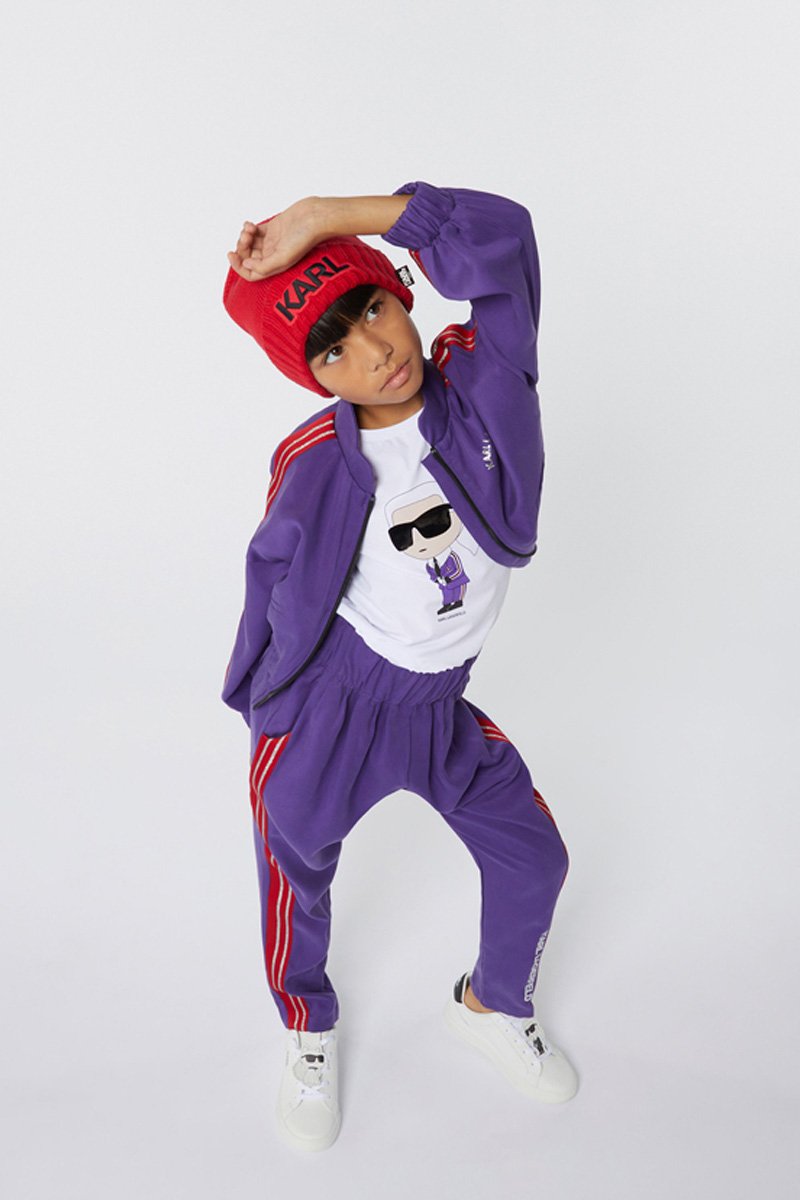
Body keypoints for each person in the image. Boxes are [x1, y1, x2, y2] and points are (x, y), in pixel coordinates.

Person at [222, 181, 578, 1153]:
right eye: (333, 349)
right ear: (312, 377)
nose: (375, 351)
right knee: (294, 864)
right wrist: (268, 703)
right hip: (335, 707)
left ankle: (491, 1004)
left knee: (534, 856)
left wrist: (328, 217)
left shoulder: (487, 381)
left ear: (401, 292)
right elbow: (270, 575)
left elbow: (505, 236)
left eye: (373, 308)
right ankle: (308, 1025)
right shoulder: (310, 457)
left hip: (438, 706)